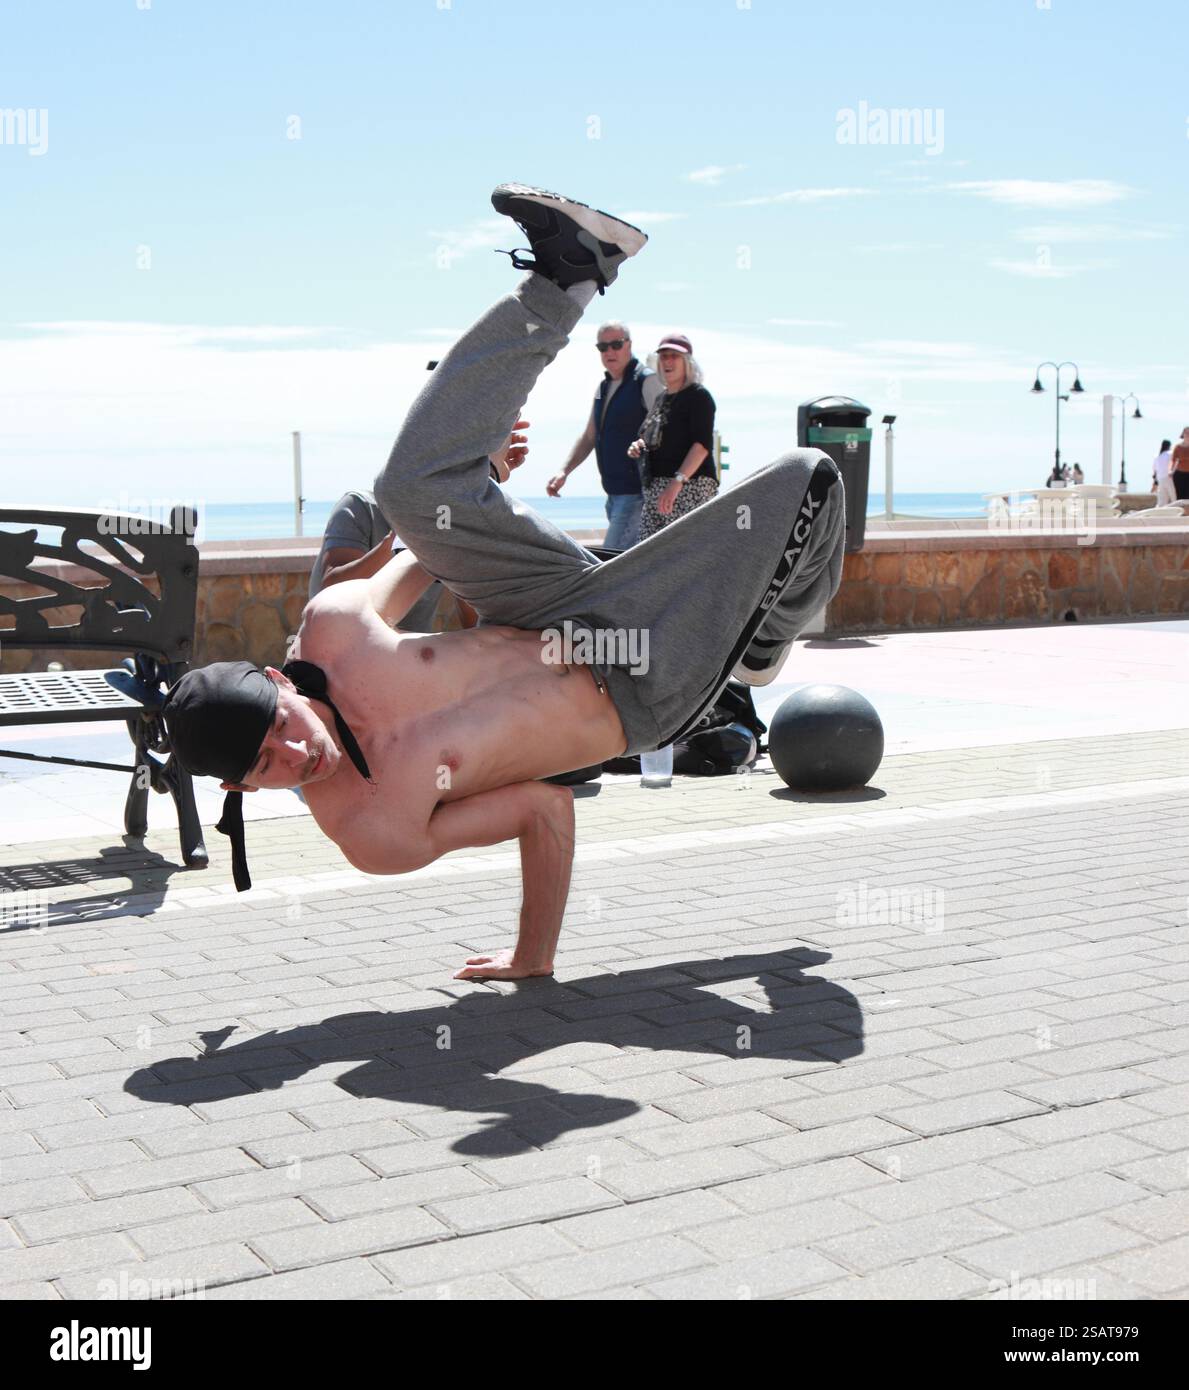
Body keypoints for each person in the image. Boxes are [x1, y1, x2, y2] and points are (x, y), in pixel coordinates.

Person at [161, 184, 846, 981]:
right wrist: (532, 958)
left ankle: (570, 274)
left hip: (557, 604)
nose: (294, 751)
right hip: (638, 684)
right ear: (243, 789)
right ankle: (759, 651)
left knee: (410, 495)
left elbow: (422, 551)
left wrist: (473, 483)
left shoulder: (335, 631)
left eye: (278, 723)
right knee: (812, 475)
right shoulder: (373, 830)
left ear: (279, 681)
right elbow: (543, 808)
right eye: (267, 764)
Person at [547, 323, 662, 550]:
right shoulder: (603, 386)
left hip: (637, 493)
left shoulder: (646, 381)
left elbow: (665, 429)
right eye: (603, 347)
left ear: (629, 345)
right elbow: (590, 436)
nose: (610, 352)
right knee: (625, 563)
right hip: (613, 493)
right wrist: (564, 471)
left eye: (616, 344)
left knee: (611, 559)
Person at [628, 333, 718, 540]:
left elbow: (702, 445)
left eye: (674, 356)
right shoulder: (662, 398)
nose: (667, 361)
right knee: (648, 555)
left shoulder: (699, 397)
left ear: (687, 362)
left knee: (685, 557)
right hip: (656, 488)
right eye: (664, 356)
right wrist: (639, 445)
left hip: (689, 487)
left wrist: (676, 483)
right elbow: (655, 437)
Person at [1169, 428, 1189, 502]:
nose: (1188, 435)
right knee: (1180, 496)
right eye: (1186, 433)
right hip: (1179, 474)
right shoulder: (1178, 447)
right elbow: (1173, 460)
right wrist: (1170, 471)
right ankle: (1182, 512)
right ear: (1183, 434)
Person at [1153, 439, 1174, 505]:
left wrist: (1155, 483)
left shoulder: (1157, 456)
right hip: (1169, 478)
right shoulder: (1170, 453)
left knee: (1162, 501)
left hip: (1160, 479)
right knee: (1174, 497)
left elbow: (1155, 470)